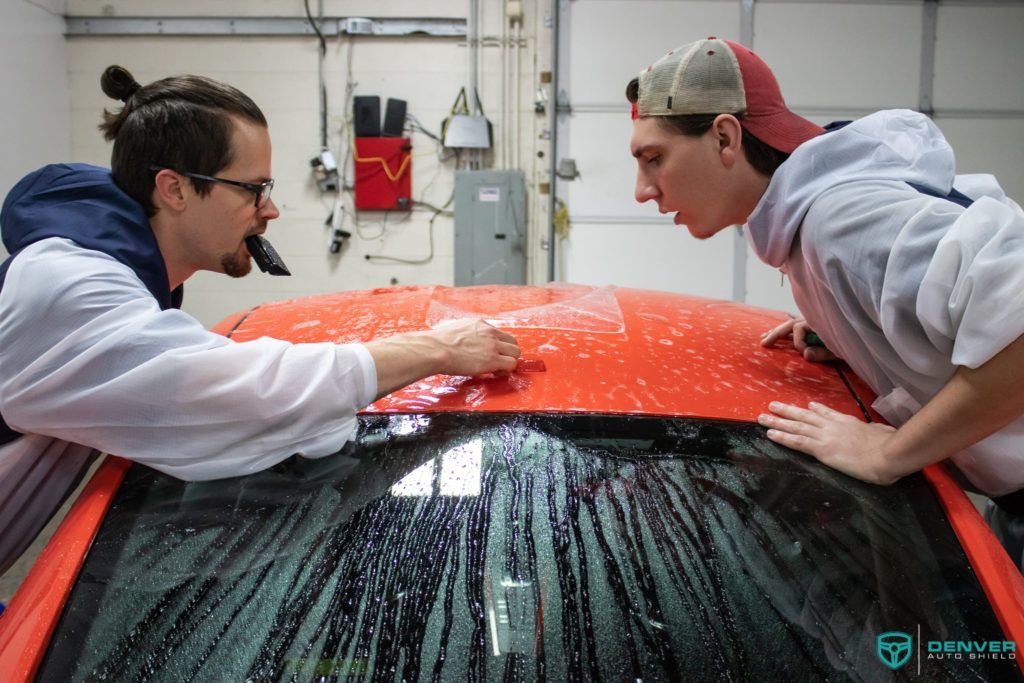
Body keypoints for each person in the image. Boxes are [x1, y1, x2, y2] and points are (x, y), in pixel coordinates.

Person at [0, 66, 520, 576]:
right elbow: (246, 396)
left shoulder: (118, 279)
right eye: (251, 189)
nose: (268, 211)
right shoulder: (70, 288)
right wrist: (435, 351)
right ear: (174, 189)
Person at [626, 37, 1024, 568]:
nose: (642, 190)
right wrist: (858, 333)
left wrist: (889, 454)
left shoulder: (840, 220)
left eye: (654, 158)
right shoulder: (822, 223)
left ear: (725, 138)